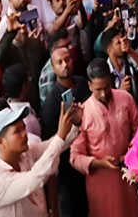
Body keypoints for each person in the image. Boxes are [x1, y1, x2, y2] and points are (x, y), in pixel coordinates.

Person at [70, 59, 138, 217]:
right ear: (90, 86)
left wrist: (130, 153)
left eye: (106, 87)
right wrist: (97, 163)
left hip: (127, 174)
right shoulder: (84, 113)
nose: (103, 94)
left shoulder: (125, 99)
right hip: (100, 181)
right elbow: (75, 157)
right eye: (98, 89)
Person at [0, 103, 79, 217]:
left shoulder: (25, 154)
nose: (25, 134)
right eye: (17, 131)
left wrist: (76, 124)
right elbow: (34, 178)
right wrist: (60, 136)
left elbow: (53, 146)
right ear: (0, 141)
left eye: (24, 128)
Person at [40, 46, 90, 217]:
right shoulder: (51, 104)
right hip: (69, 170)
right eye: (59, 62)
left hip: (93, 154)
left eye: (67, 59)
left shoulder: (83, 84)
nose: (65, 65)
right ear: (53, 68)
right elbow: (49, 143)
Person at [3, 64, 41, 139]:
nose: (31, 79)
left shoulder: (6, 109)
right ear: (24, 87)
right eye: (28, 78)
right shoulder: (28, 121)